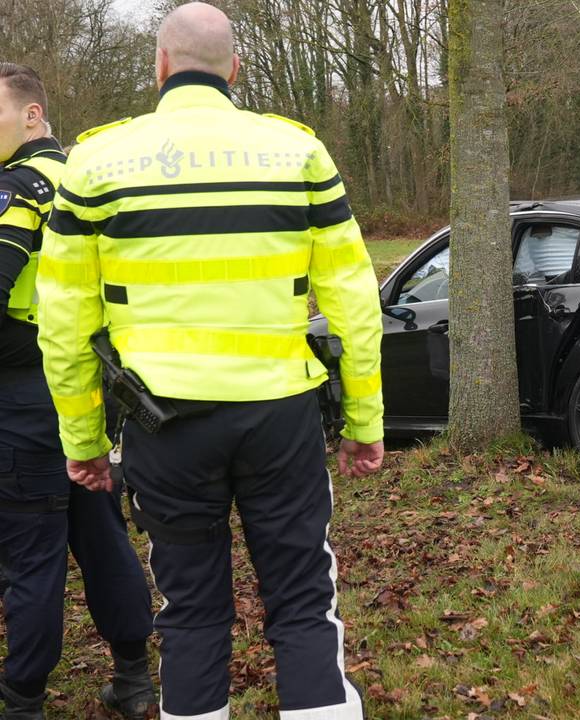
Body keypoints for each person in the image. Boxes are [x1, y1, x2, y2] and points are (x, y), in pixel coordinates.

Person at [36, 4, 386, 718]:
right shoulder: (298, 152)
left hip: (164, 425)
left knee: (191, 610)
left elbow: (64, 322)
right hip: (280, 415)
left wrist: (83, 439)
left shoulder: (95, 162)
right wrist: (365, 420)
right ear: (236, 69)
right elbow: (354, 300)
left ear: (160, 65)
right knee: (303, 602)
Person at [0, 63, 155, 720]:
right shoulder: (88, 179)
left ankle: (23, 698)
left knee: (32, 552)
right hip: (91, 389)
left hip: (25, 396)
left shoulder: (19, 188)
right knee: (101, 534)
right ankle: (134, 677)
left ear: (32, 114)